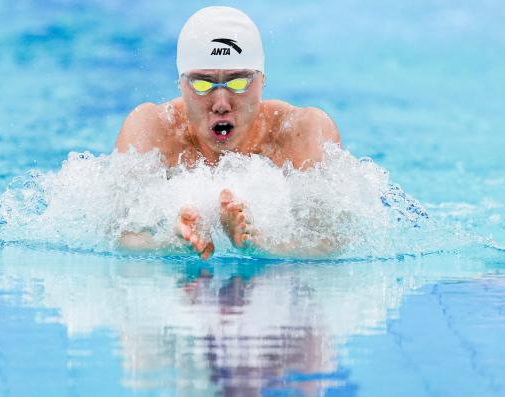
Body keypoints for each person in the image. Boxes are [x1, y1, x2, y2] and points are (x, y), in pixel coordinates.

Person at [116, 6, 341, 259]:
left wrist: (262, 245)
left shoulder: (301, 132)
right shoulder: (152, 130)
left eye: (238, 82)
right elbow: (121, 238)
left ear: (262, 79)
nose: (221, 103)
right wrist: (172, 242)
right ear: (181, 84)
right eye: (202, 83)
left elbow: (330, 244)